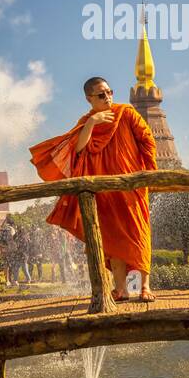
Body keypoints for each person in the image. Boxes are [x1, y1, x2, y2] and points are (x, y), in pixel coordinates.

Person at [29, 76, 160, 302]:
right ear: (89, 99)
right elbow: (78, 149)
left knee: (139, 235)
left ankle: (145, 287)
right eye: (101, 95)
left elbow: (147, 140)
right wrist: (93, 122)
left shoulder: (126, 113)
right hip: (104, 193)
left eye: (110, 92)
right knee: (113, 241)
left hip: (131, 188)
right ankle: (121, 290)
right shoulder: (87, 121)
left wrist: (147, 172)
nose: (108, 97)